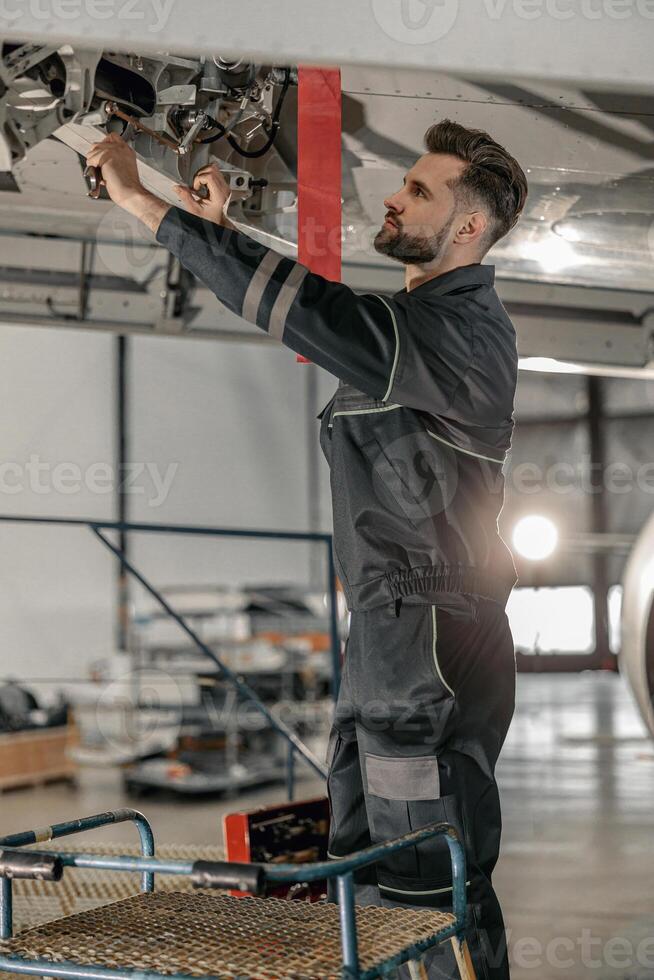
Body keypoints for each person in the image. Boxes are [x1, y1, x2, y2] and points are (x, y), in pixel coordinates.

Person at [86, 117, 528, 978]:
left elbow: (314, 315)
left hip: (425, 636)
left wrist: (147, 205)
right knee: (362, 870)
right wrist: (222, 234)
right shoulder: (416, 326)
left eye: (420, 190)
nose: (394, 197)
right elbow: (333, 315)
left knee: (424, 880)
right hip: (390, 634)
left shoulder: (460, 335)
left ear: (469, 229)